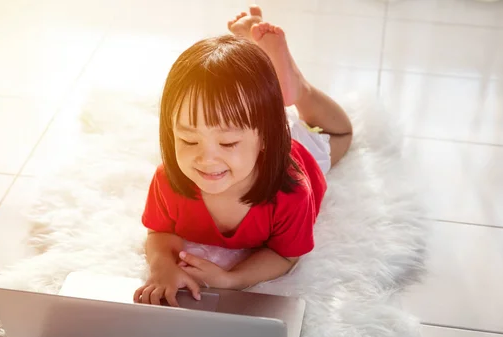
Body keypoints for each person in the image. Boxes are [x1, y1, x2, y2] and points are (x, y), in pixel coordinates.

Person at [134, 5, 353, 307]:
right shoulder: (168, 180)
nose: (206, 159)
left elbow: (285, 254)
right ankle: (262, 67)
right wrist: (162, 268)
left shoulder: (292, 192)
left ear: (264, 138)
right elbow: (159, 231)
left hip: (292, 147)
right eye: (188, 139)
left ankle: (297, 88)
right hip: (255, 121)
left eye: (227, 144)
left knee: (340, 133)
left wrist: (233, 279)